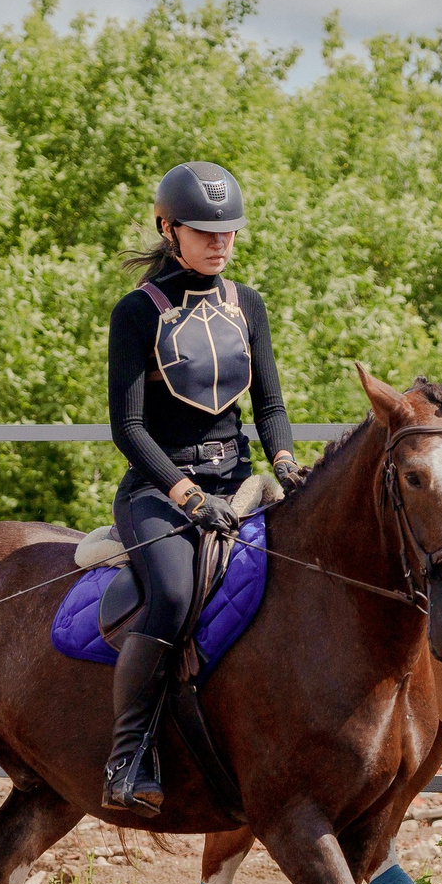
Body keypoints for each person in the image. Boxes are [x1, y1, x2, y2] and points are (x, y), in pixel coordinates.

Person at [101, 161, 306, 815]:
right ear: (168, 228)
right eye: (204, 231)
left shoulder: (247, 304)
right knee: (174, 590)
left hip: (240, 484)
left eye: (230, 231)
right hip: (160, 492)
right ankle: (128, 755)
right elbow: (129, 429)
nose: (220, 242)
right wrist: (188, 495)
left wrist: (285, 458)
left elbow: (270, 405)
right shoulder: (137, 314)